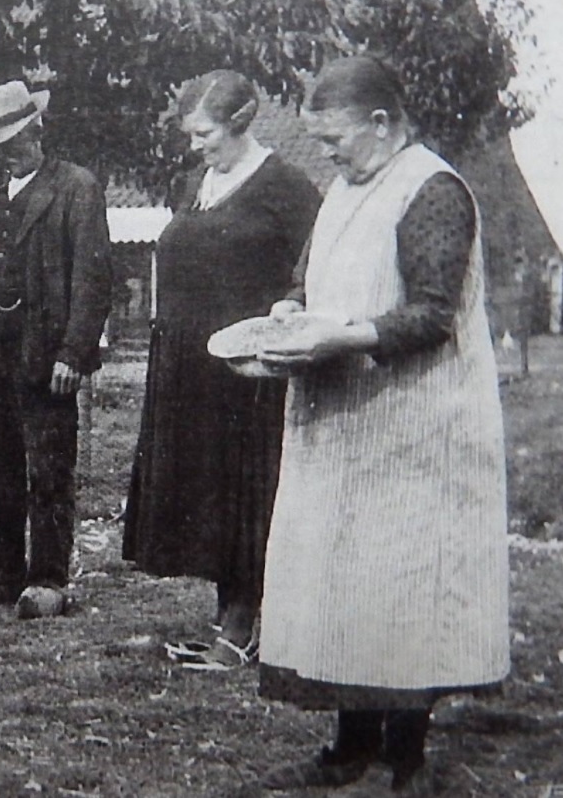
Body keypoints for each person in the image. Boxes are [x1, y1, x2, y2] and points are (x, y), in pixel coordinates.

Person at [253, 56, 510, 794]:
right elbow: (312, 275)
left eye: (333, 139)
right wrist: (289, 310)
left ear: (380, 122)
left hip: (417, 422)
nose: (326, 153)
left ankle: (406, 757)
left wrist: (342, 338)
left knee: (402, 586)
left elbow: (432, 313)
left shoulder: (431, 189)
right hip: (345, 419)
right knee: (344, 584)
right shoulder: (345, 189)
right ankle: (349, 746)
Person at [120, 70, 321, 668]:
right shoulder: (192, 184)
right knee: (203, 489)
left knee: (243, 490)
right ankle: (225, 614)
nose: (195, 145)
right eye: (190, 134)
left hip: (244, 370)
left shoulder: (286, 186)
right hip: (186, 364)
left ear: (240, 122)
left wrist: (290, 307)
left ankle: (245, 623)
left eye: (204, 133)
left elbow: (314, 267)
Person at [0, 79, 113, 619]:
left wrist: (74, 352)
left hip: (44, 354)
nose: (6, 153)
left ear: (37, 131)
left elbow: (92, 279)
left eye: (14, 141)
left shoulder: (76, 189)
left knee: (48, 466)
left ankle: (48, 579)